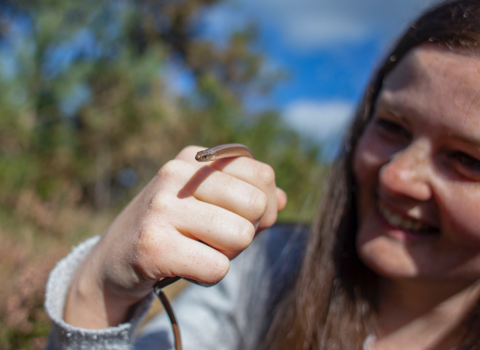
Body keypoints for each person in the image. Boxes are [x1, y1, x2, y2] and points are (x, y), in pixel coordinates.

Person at [45, 0, 480, 349]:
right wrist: (95, 291)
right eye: (391, 126)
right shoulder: (270, 268)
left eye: (467, 159)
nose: (396, 177)